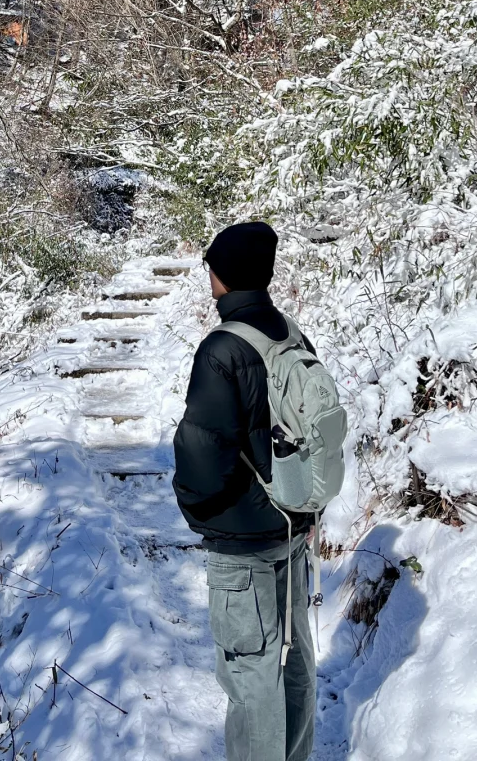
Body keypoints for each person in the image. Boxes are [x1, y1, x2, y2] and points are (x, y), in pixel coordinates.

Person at [172, 220, 315, 761]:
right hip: (292, 526)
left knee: (251, 679)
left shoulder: (221, 349)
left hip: (241, 545)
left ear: (224, 277)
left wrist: (200, 512)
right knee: (295, 664)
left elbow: (201, 458)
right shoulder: (291, 332)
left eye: (211, 267)